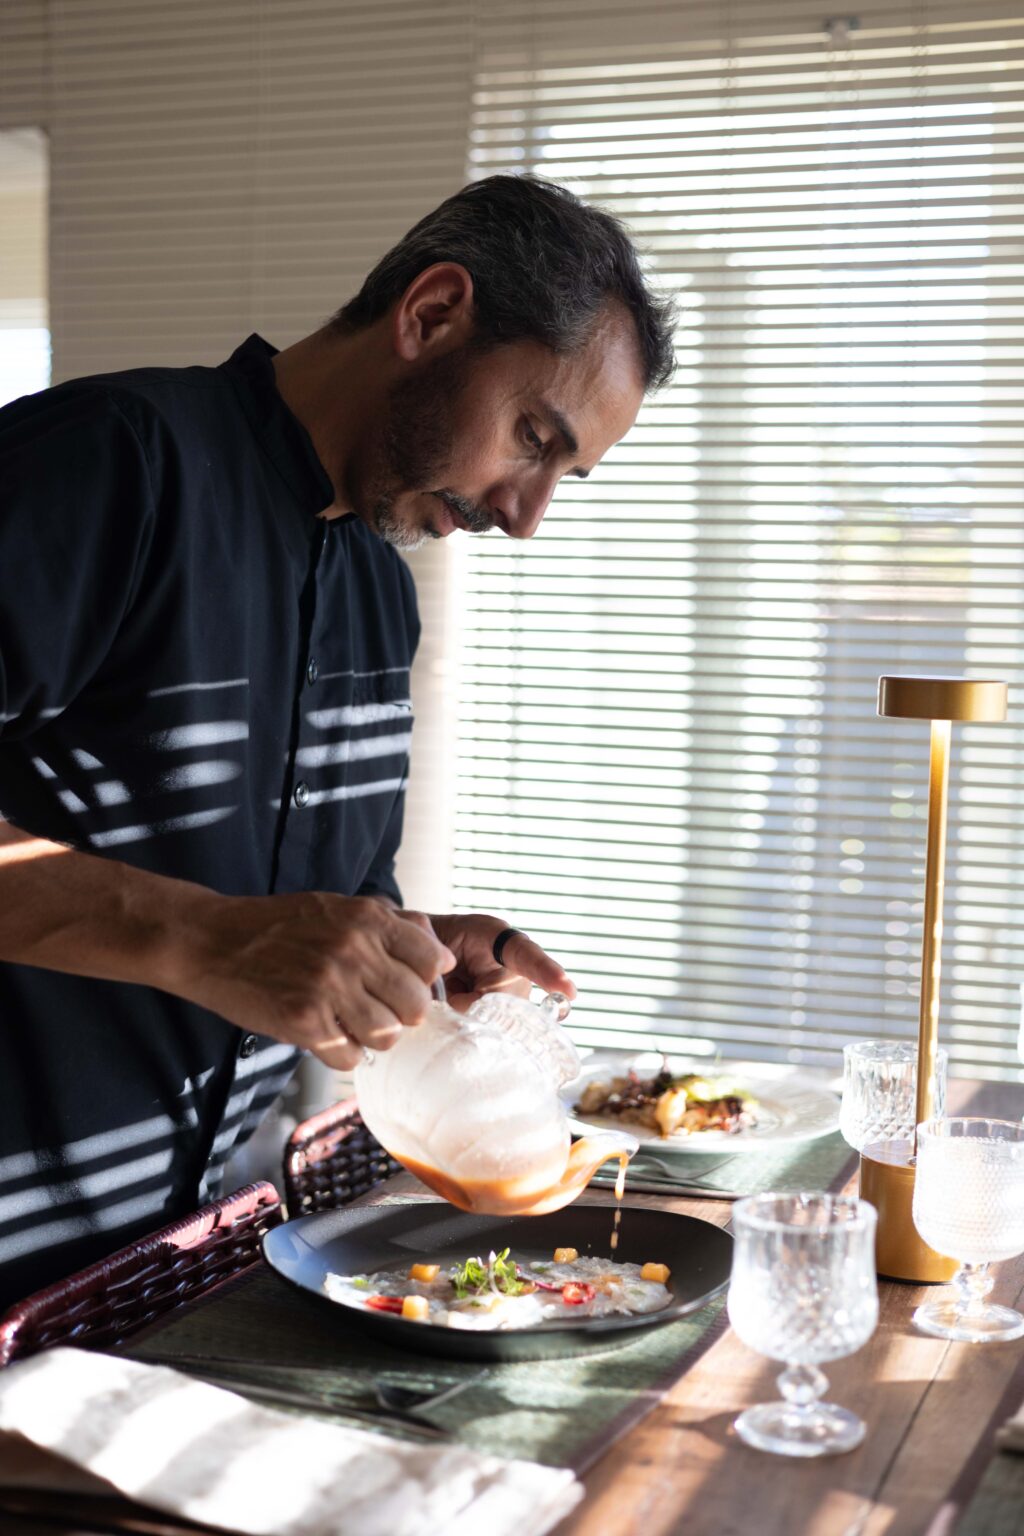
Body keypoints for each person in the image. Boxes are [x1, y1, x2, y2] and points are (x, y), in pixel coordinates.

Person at [0, 174, 675, 1308]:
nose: (527, 515)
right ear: (431, 315)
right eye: (532, 438)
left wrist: (408, 954)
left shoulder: (379, 593)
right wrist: (202, 938)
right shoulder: (107, 463)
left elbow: (305, 908)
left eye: (568, 476)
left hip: (173, 1277)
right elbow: (224, 930)